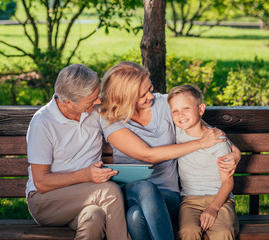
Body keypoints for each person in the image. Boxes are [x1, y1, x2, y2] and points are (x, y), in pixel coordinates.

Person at [99, 61, 241, 240]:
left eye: (150, 89)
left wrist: (235, 152)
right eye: (143, 95)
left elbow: (205, 130)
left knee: (135, 217)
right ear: (125, 97)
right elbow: (148, 155)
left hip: (168, 195)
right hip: (131, 191)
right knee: (146, 188)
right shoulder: (110, 118)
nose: (151, 96)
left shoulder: (164, 104)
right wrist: (199, 144)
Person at [25, 64, 130, 240]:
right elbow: (41, 182)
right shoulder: (42, 123)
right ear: (68, 102)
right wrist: (86, 175)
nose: (98, 102)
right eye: (91, 100)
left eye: (97, 95)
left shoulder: (94, 111)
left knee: (94, 218)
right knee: (109, 192)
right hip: (46, 200)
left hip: (85, 197)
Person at [167, 85, 239, 240]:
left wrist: (214, 208)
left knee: (223, 232)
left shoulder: (218, 140)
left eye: (186, 108)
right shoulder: (177, 132)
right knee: (188, 231)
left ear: (200, 109)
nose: (181, 115)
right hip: (190, 200)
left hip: (220, 199)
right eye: (175, 111)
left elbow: (227, 182)